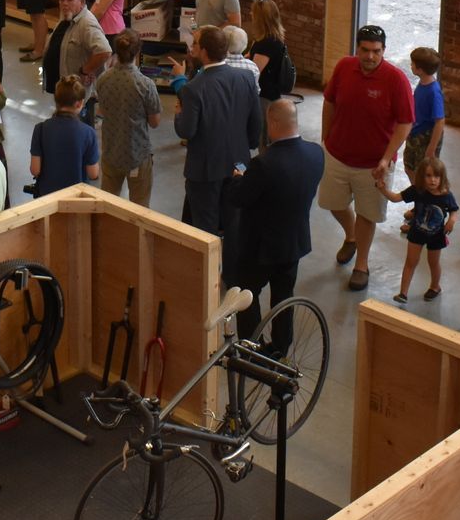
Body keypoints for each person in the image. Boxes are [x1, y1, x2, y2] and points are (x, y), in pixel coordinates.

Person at [320, 24, 414, 292]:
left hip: (374, 164)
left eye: (376, 51)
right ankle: (351, 237)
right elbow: (329, 101)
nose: (370, 56)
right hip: (338, 155)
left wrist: (386, 159)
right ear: (357, 48)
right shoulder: (343, 68)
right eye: (365, 50)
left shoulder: (396, 80)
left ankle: (361, 264)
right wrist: (326, 138)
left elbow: (406, 122)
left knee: (367, 213)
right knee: (333, 203)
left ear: (384, 51)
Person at [226, 98, 324, 345]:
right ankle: (281, 347)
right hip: (293, 242)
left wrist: (239, 178)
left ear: (273, 122)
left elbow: (240, 197)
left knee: (247, 294)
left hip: (260, 247)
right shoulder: (316, 154)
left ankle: (251, 347)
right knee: (283, 296)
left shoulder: (264, 164)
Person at [172, 26, 262, 234]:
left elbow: (186, 130)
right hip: (238, 163)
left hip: (205, 170)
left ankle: (211, 265)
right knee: (234, 223)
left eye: (195, 44)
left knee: (205, 227)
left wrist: (178, 113)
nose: (192, 47)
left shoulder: (193, 89)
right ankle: (231, 264)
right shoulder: (246, 78)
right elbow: (255, 121)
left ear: (204, 51)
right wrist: (246, 148)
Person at [94, 31, 161, 206]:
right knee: (140, 207)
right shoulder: (146, 85)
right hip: (137, 153)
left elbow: (102, 110)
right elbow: (155, 123)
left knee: (108, 205)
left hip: (111, 151)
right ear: (137, 52)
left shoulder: (102, 79)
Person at [382, 155, 457, 304]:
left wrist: (451, 220)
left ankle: (435, 287)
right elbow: (396, 198)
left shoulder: (445, 194)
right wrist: (382, 190)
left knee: (433, 262)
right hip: (417, 232)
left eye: (437, 176)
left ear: (442, 178)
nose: (432, 180)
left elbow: (454, 210)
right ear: (421, 177)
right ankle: (403, 293)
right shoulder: (417, 190)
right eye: (428, 176)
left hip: (436, 235)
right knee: (410, 261)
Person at [31, 75, 100, 196]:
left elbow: (35, 170)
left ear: (56, 100)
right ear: (79, 104)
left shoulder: (40, 129)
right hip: (76, 198)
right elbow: (93, 174)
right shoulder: (88, 133)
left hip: (48, 199)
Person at [55, 0, 112, 101]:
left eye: (70, 0)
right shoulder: (67, 18)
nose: (64, 3)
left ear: (82, 2)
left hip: (79, 97)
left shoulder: (87, 24)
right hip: (66, 90)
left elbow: (104, 51)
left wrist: (86, 70)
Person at [248, 0, 295, 119]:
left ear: (260, 19)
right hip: (270, 94)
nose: (250, 14)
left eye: (253, 12)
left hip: (264, 97)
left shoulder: (266, 44)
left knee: (262, 134)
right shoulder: (273, 38)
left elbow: (254, 72)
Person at [403, 47, 446, 178]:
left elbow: (440, 121)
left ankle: (421, 196)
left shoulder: (433, 92)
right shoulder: (423, 83)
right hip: (415, 132)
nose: (410, 65)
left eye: (413, 63)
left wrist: (431, 148)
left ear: (420, 69)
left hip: (424, 137)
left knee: (422, 173)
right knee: (409, 167)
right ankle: (417, 194)